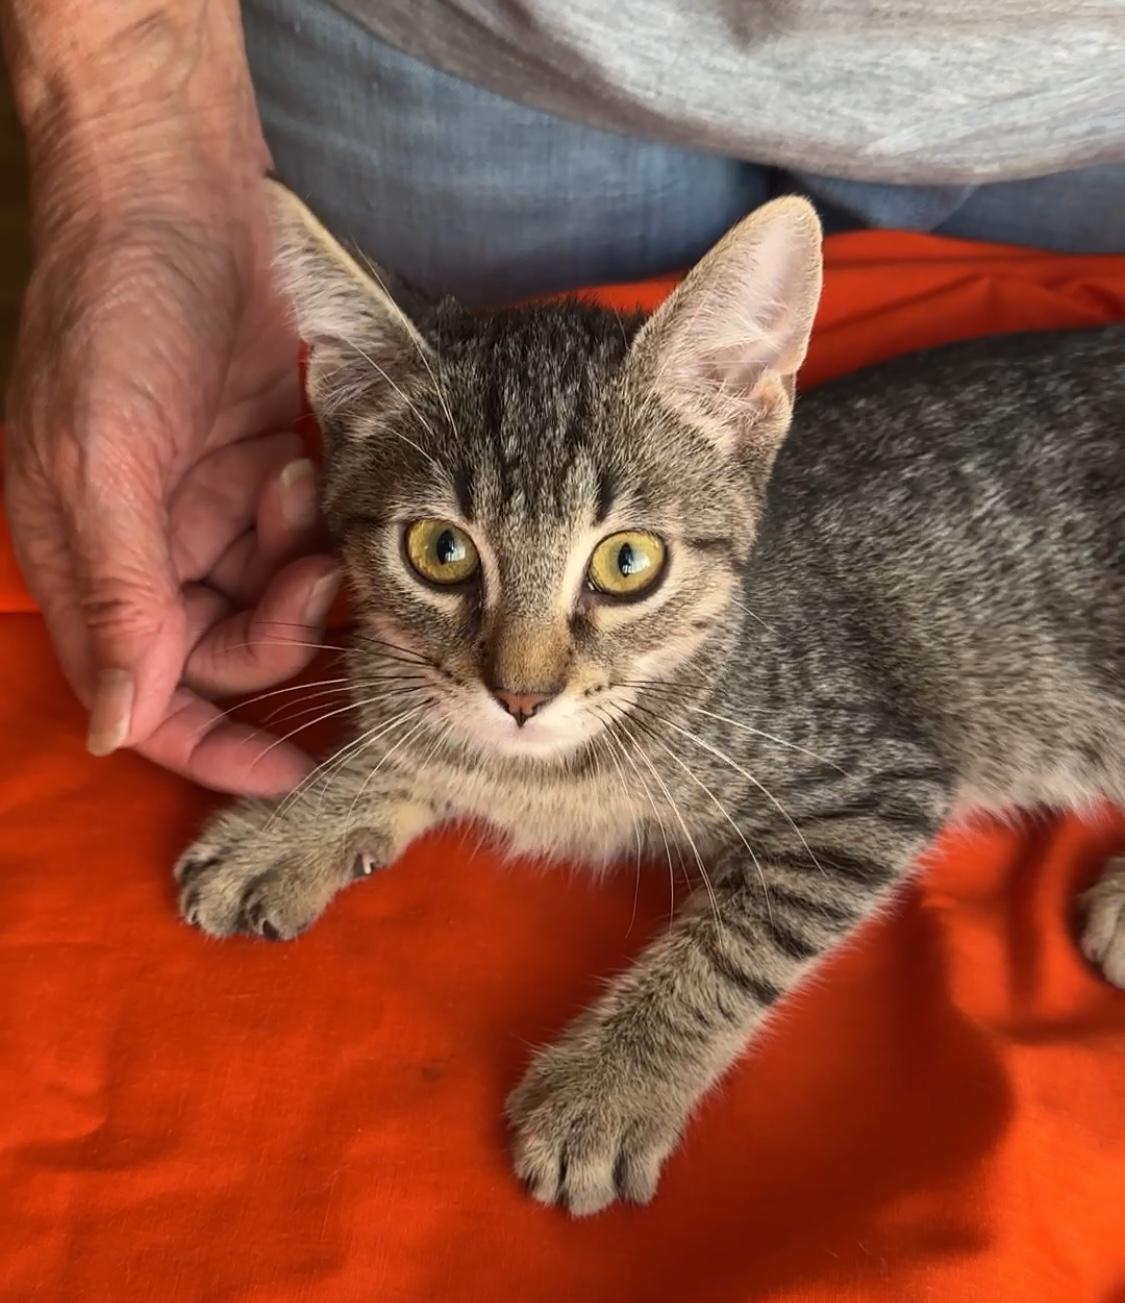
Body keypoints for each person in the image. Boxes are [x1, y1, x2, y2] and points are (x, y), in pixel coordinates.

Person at [2, 0, 1122, 797]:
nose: (523, 678)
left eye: (620, 565)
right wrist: (129, 149)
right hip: (485, 45)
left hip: (1066, 88)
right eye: (444, 553)